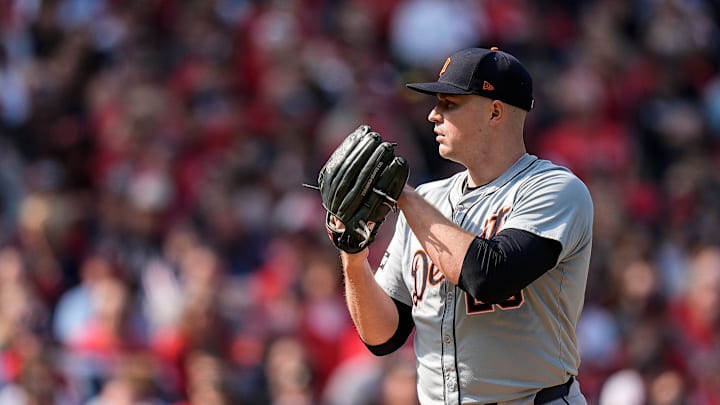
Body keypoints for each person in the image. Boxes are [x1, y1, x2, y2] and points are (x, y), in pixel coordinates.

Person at [337, 47, 594, 404]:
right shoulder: (426, 199)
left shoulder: (555, 190)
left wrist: (407, 199)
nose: (432, 115)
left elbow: (489, 276)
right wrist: (353, 257)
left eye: (449, 103)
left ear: (495, 111)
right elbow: (384, 336)